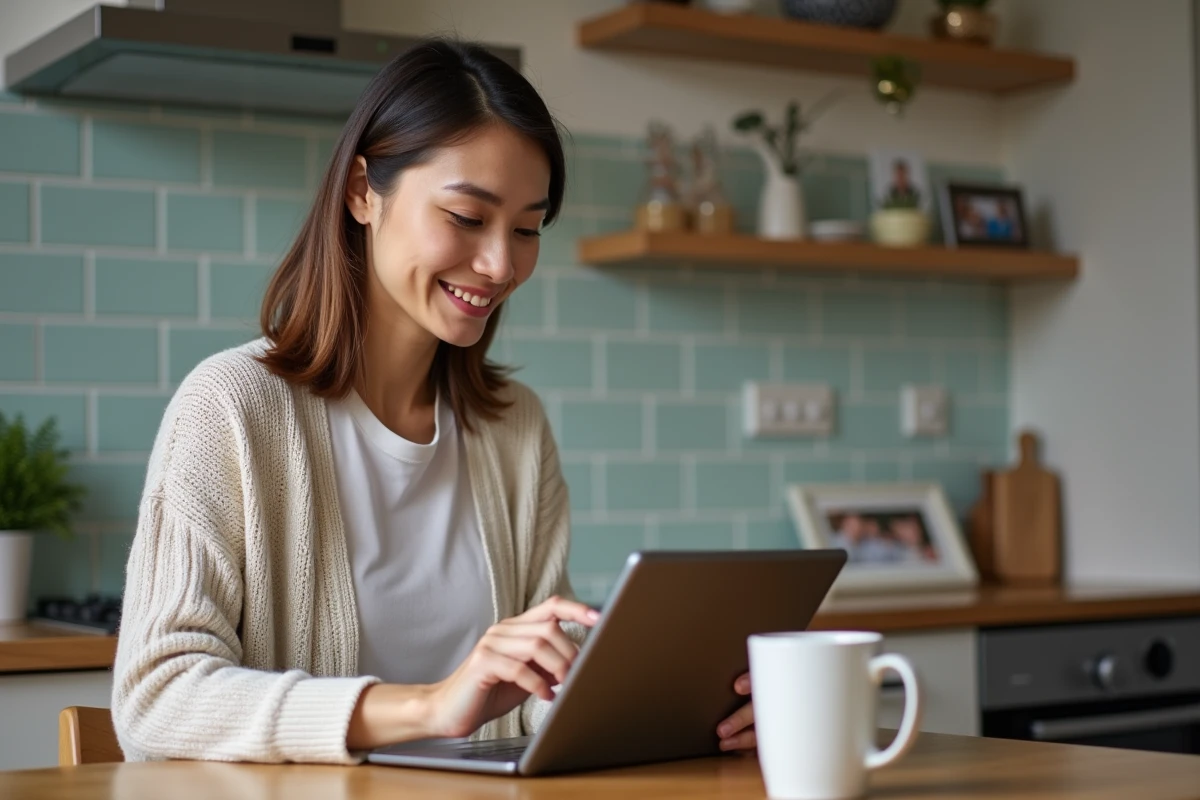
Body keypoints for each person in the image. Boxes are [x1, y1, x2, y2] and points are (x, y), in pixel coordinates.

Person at [110, 39, 758, 764]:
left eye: (525, 229)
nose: (501, 264)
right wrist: (432, 704)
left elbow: (546, 688)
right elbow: (155, 699)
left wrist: (693, 709)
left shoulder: (514, 428)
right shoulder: (231, 408)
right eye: (466, 217)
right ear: (363, 191)